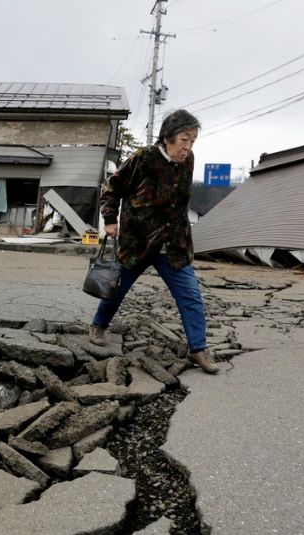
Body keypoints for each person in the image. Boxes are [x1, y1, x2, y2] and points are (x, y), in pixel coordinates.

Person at [88, 109, 218, 374]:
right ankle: (98, 325)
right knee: (116, 289)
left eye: (193, 141)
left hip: (173, 245)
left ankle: (198, 349)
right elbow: (112, 188)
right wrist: (110, 219)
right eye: (184, 140)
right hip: (138, 242)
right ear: (168, 137)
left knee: (191, 297)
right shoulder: (143, 158)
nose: (188, 147)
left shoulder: (188, 160)